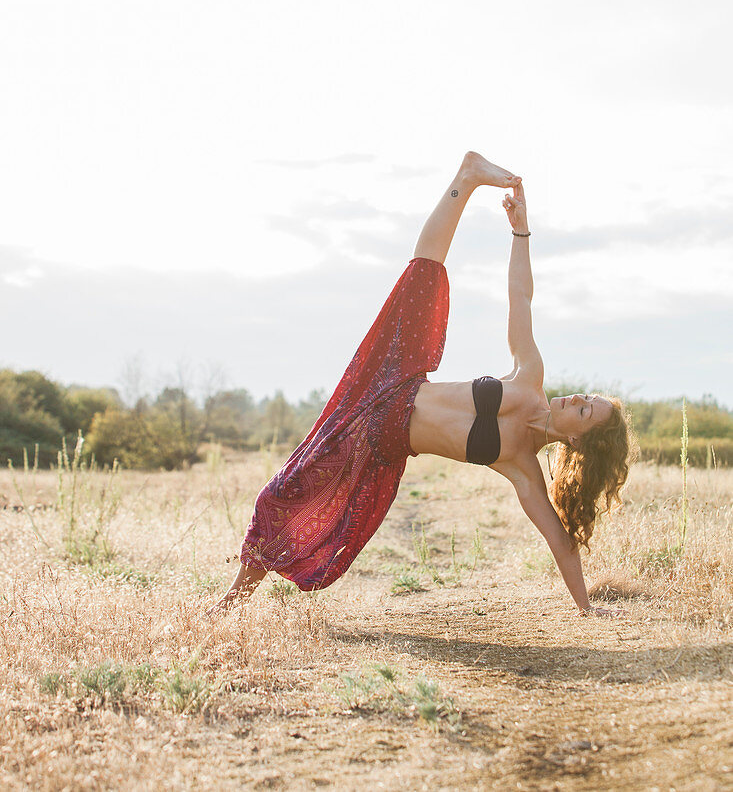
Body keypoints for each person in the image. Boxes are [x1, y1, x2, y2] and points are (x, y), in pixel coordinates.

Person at [206, 151, 633, 617]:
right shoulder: (528, 377)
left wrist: (587, 609)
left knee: (287, 495)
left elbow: (559, 541)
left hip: (378, 447)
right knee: (422, 277)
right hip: (393, 383)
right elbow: (521, 295)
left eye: (585, 410)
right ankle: (466, 177)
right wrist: (520, 230)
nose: (576, 398)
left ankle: (234, 597)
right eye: (587, 396)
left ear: (576, 438)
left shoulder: (521, 466)